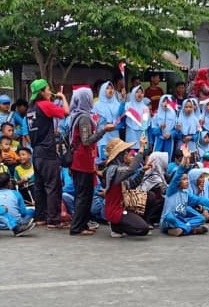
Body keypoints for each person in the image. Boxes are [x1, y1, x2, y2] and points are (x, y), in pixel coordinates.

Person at [67, 87, 115, 236]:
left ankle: (83, 223)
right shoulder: (84, 118)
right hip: (82, 161)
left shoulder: (75, 115)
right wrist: (103, 130)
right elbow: (86, 140)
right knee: (84, 195)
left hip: (80, 160)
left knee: (85, 194)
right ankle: (77, 227)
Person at [27, 79, 69, 228]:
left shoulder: (31, 108)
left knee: (39, 187)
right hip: (47, 151)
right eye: (47, 89)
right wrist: (63, 98)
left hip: (36, 151)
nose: (50, 92)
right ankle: (54, 219)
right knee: (53, 186)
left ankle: (40, 217)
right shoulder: (45, 105)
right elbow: (66, 112)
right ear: (41, 92)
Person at [160, 145, 209, 236]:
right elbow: (178, 174)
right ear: (177, 182)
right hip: (168, 221)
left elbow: (198, 200)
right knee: (169, 217)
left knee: (201, 218)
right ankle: (190, 229)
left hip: (181, 220)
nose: (187, 181)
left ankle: (182, 229)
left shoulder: (186, 193)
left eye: (187, 179)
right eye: (184, 179)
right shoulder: (171, 190)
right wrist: (185, 158)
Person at [102, 136, 151, 238]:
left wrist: (142, 172)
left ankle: (119, 227)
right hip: (115, 210)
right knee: (143, 229)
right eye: (123, 152)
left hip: (122, 206)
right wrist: (141, 149)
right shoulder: (113, 170)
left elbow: (132, 184)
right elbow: (131, 170)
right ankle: (118, 226)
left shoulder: (119, 169)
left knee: (150, 197)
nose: (125, 154)